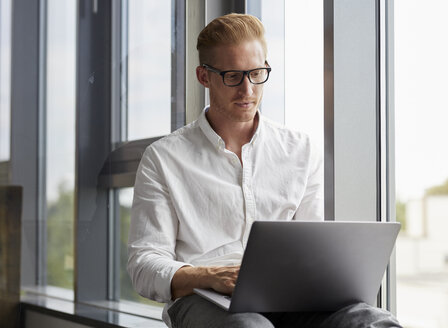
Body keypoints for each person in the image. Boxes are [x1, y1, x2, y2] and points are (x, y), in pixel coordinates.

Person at [127, 13, 402, 328]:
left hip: (291, 297)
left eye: (256, 73)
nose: (247, 90)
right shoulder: (163, 159)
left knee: (370, 320)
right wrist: (209, 276)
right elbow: (144, 264)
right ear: (204, 76)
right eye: (233, 75)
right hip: (201, 297)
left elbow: (314, 246)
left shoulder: (300, 150)